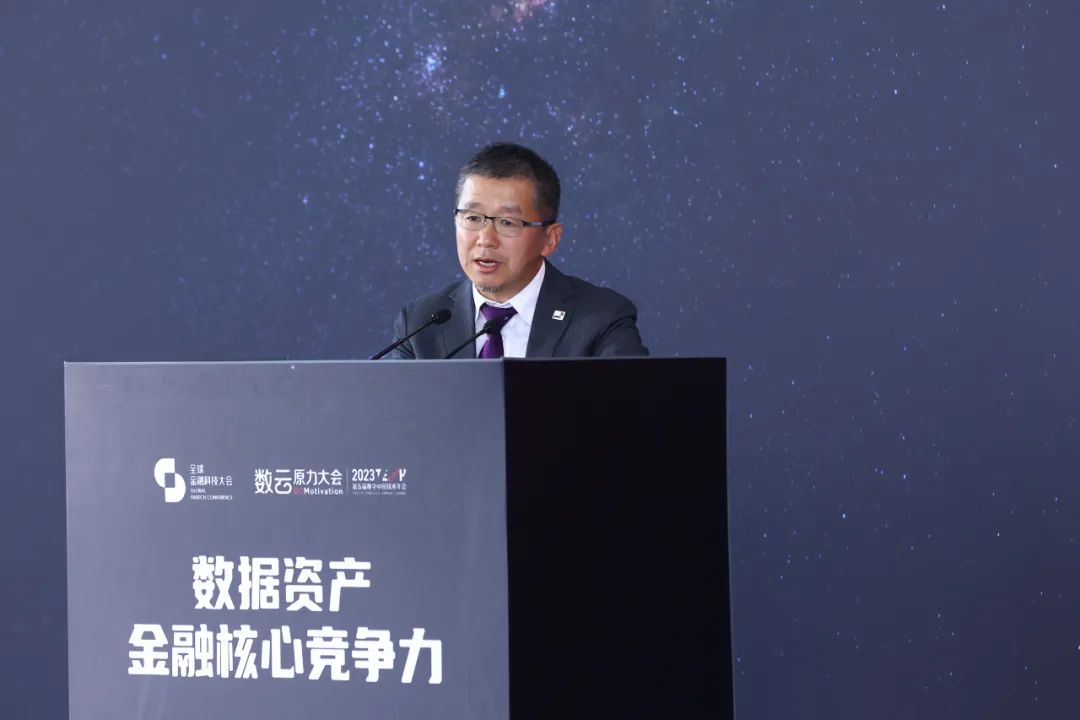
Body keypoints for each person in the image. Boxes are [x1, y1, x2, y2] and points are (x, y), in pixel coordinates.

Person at [387, 142, 648, 359]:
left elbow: (632, 405)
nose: (485, 239)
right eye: (473, 218)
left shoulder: (601, 318)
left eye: (507, 222)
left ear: (550, 239)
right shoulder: (420, 324)